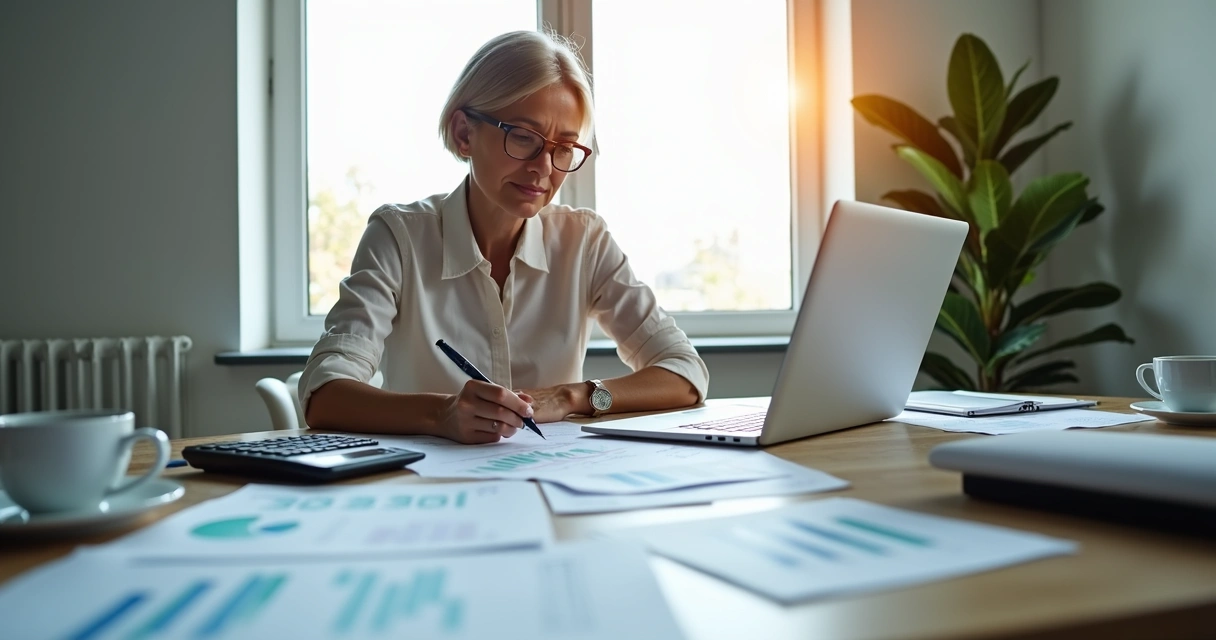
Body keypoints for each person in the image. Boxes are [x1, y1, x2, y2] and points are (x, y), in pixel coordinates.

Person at [300, 30, 708, 444]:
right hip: (433, 488)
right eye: (524, 138)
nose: (544, 169)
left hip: (553, 483)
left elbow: (686, 373)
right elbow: (323, 394)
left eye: (564, 148)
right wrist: (441, 413)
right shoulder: (399, 237)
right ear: (464, 133)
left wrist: (574, 396)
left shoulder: (583, 241)